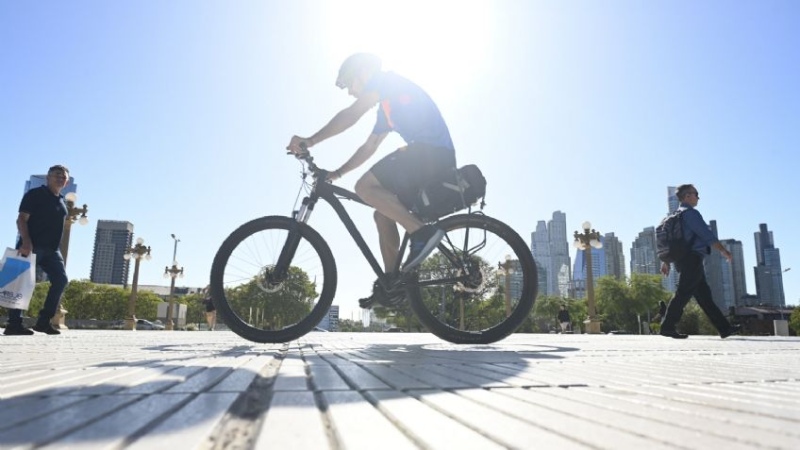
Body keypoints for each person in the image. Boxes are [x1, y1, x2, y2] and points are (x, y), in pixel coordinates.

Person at [286, 53, 457, 307]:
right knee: (383, 214)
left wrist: (309, 141)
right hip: (427, 158)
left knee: (365, 187)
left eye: (348, 83)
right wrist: (338, 172)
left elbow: (351, 114)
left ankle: (422, 231)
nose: (349, 92)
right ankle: (393, 284)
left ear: (364, 72)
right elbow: (370, 145)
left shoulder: (386, 82)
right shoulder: (386, 110)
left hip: (432, 154)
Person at [659, 184, 741, 339]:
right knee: (683, 292)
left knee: (704, 296)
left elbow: (670, 243)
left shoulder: (674, 216)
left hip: (683, 259)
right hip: (692, 258)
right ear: (687, 196)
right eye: (696, 194)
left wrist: (666, 261)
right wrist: (723, 250)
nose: (698, 197)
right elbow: (705, 234)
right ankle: (667, 326)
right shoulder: (690, 214)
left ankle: (724, 328)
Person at [4, 165, 71, 336]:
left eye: (63, 177)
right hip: (32, 246)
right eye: (57, 175)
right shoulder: (35, 195)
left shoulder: (62, 201)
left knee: (61, 280)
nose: (60, 179)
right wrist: (26, 241)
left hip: (52, 250)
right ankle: (14, 324)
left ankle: (43, 322)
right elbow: (21, 219)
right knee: (23, 282)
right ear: (48, 177)